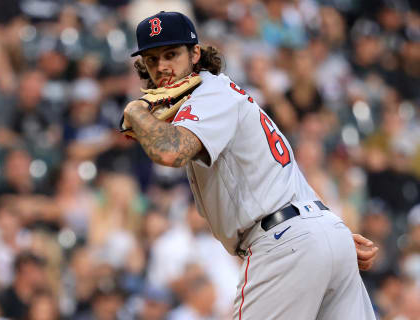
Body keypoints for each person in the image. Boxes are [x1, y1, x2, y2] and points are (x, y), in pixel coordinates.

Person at [122, 11, 378, 319]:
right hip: (318, 230)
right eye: (151, 59)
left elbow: (170, 152)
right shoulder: (225, 95)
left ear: (195, 53)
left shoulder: (207, 93)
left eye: (171, 54)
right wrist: (320, 233)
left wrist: (136, 111)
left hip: (284, 244)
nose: (162, 66)